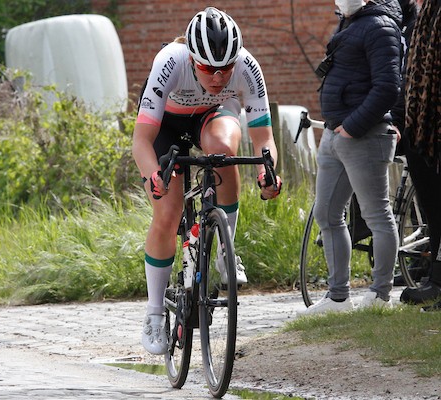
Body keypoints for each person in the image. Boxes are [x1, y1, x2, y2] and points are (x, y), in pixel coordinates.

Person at [133, 7, 282, 354]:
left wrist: (268, 172)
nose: (217, 78)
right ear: (192, 58)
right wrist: (154, 175)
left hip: (211, 117)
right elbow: (141, 141)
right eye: (207, 69)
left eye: (225, 69)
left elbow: (263, 139)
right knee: (167, 215)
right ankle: (154, 313)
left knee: (223, 152)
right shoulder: (170, 61)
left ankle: (223, 250)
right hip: (165, 126)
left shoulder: (248, 66)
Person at [300, 0, 403, 315]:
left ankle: (380, 296)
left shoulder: (380, 26)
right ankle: (338, 299)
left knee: (376, 216)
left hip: (363, 135)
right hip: (334, 135)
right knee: (327, 214)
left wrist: (353, 127)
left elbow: (388, 87)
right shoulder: (351, 21)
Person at [398, 0, 441, 311]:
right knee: (434, 208)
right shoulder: (429, 11)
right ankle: (436, 281)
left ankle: (437, 282)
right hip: (425, 126)